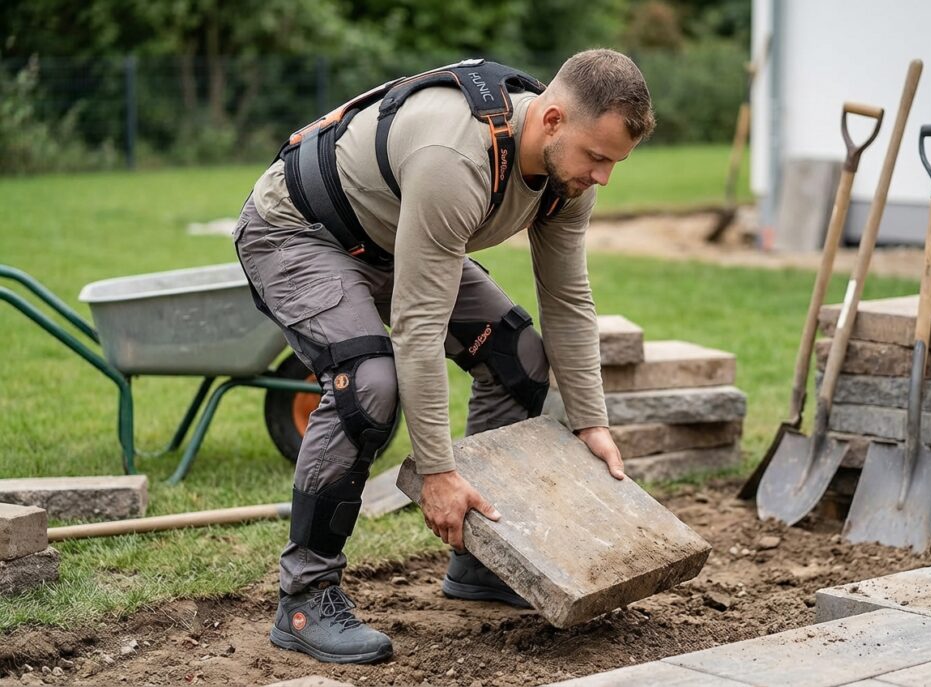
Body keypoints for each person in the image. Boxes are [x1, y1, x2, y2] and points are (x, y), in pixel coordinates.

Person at [233, 48, 655, 664]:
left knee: (520, 361)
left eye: (615, 162)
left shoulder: (568, 178)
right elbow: (418, 326)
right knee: (369, 386)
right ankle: (305, 598)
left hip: (390, 237)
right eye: (597, 157)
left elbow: (567, 299)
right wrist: (436, 473)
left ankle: (481, 562)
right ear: (554, 119)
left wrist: (592, 423)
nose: (603, 177)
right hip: (297, 231)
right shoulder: (457, 158)